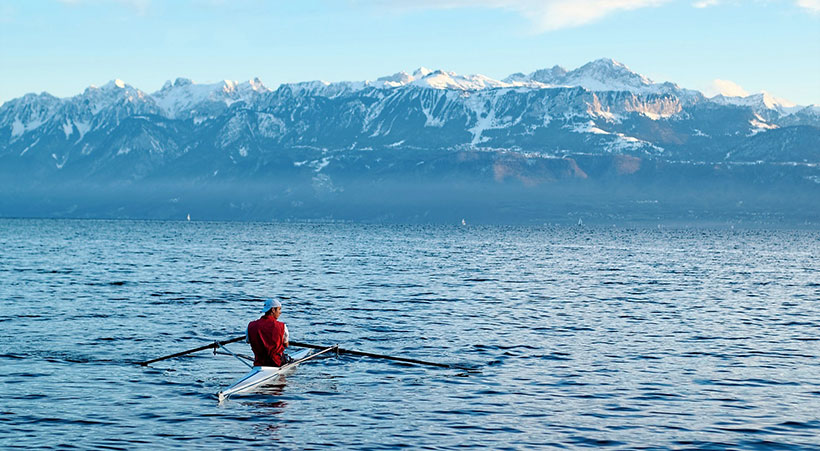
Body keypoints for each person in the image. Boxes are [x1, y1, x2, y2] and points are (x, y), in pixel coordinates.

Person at [246, 298, 290, 367]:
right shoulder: (282, 326)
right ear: (273, 310)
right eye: (279, 309)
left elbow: (248, 341)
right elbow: (286, 345)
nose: (280, 312)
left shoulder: (251, 325)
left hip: (258, 363)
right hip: (276, 363)